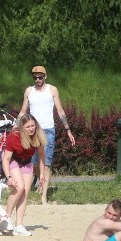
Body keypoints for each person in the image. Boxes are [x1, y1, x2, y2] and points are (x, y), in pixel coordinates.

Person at [18, 65, 76, 205]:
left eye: (40, 77)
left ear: (45, 76)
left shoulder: (52, 89)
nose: (37, 79)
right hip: (32, 131)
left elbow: (60, 111)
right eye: (35, 77)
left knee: (47, 163)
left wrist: (68, 129)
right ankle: (41, 181)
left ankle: (44, 196)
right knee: (34, 163)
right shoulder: (29, 91)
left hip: (48, 130)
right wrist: (15, 128)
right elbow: (22, 111)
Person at [0, 114, 47, 236]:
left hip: (26, 162)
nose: (31, 129)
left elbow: (41, 156)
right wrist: (8, 178)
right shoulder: (14, 136)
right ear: (22, 127)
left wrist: (41, 173)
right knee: (19, 187)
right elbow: (6, 159)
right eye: (28, 127)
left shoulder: (38, 136)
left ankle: (19, 225)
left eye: (33, 126)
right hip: (12, 160)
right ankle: (6, 218)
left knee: (26, 191)